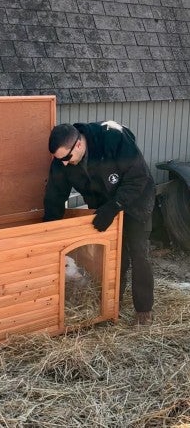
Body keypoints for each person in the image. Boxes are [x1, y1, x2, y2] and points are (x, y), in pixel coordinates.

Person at [43, 121, 156, 326]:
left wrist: (115, 206)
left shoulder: (113, 138)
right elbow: (54, 196)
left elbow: (138, 177)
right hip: (105, 206)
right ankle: (112, 306)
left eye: (67, 158)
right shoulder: (63, 162)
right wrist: (50, 231)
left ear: (78, 144)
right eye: (60, 160)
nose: (65, 164)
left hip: (136, 199)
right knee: (114, 255)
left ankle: (143, 310)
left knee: (139, 253)